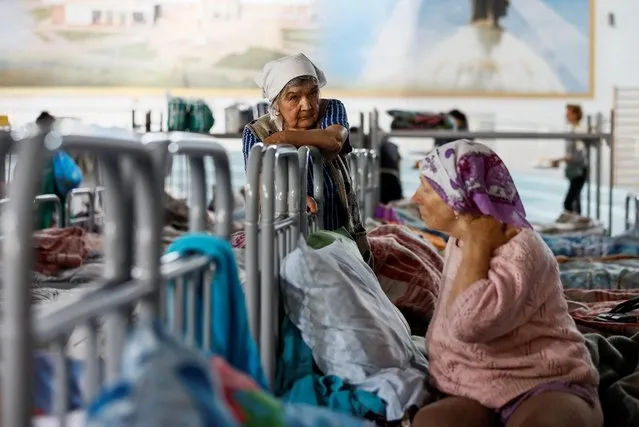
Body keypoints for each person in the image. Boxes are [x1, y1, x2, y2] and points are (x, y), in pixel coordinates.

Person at [410, 139, 601, 427]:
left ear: (459, 200)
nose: (415, 198)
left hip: (539, 380)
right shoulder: (458, 241)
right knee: (432, 422)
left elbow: (468, 324)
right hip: (471, 384)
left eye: (426, 189)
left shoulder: (521, 247)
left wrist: (478, 243)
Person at [241, 53, 372, 266]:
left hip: (339, 234)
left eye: (313, 94)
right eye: (293, 97)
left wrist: (283, 138)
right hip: (284, 240)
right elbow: (258, 189)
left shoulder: (330, 109)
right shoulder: (257, 132)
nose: (307, 105)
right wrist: (291, 197)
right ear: (275, 105)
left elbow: (333, 141)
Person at [551, 104, 588, 216]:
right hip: (574, 171)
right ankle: (576, 226)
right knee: (575, 201)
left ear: (576, 115)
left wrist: (559, 159)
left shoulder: (578, 131)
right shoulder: (573, 130)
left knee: (569, 203)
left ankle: (574, 227)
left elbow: (578, 155)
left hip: (579, 171)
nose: (566, 115)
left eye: (569, 113)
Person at [351, 126, 403, 205]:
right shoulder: (390, 146)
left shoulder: (365, 149)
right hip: (390, 177)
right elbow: (398, 166)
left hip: (380, 177)